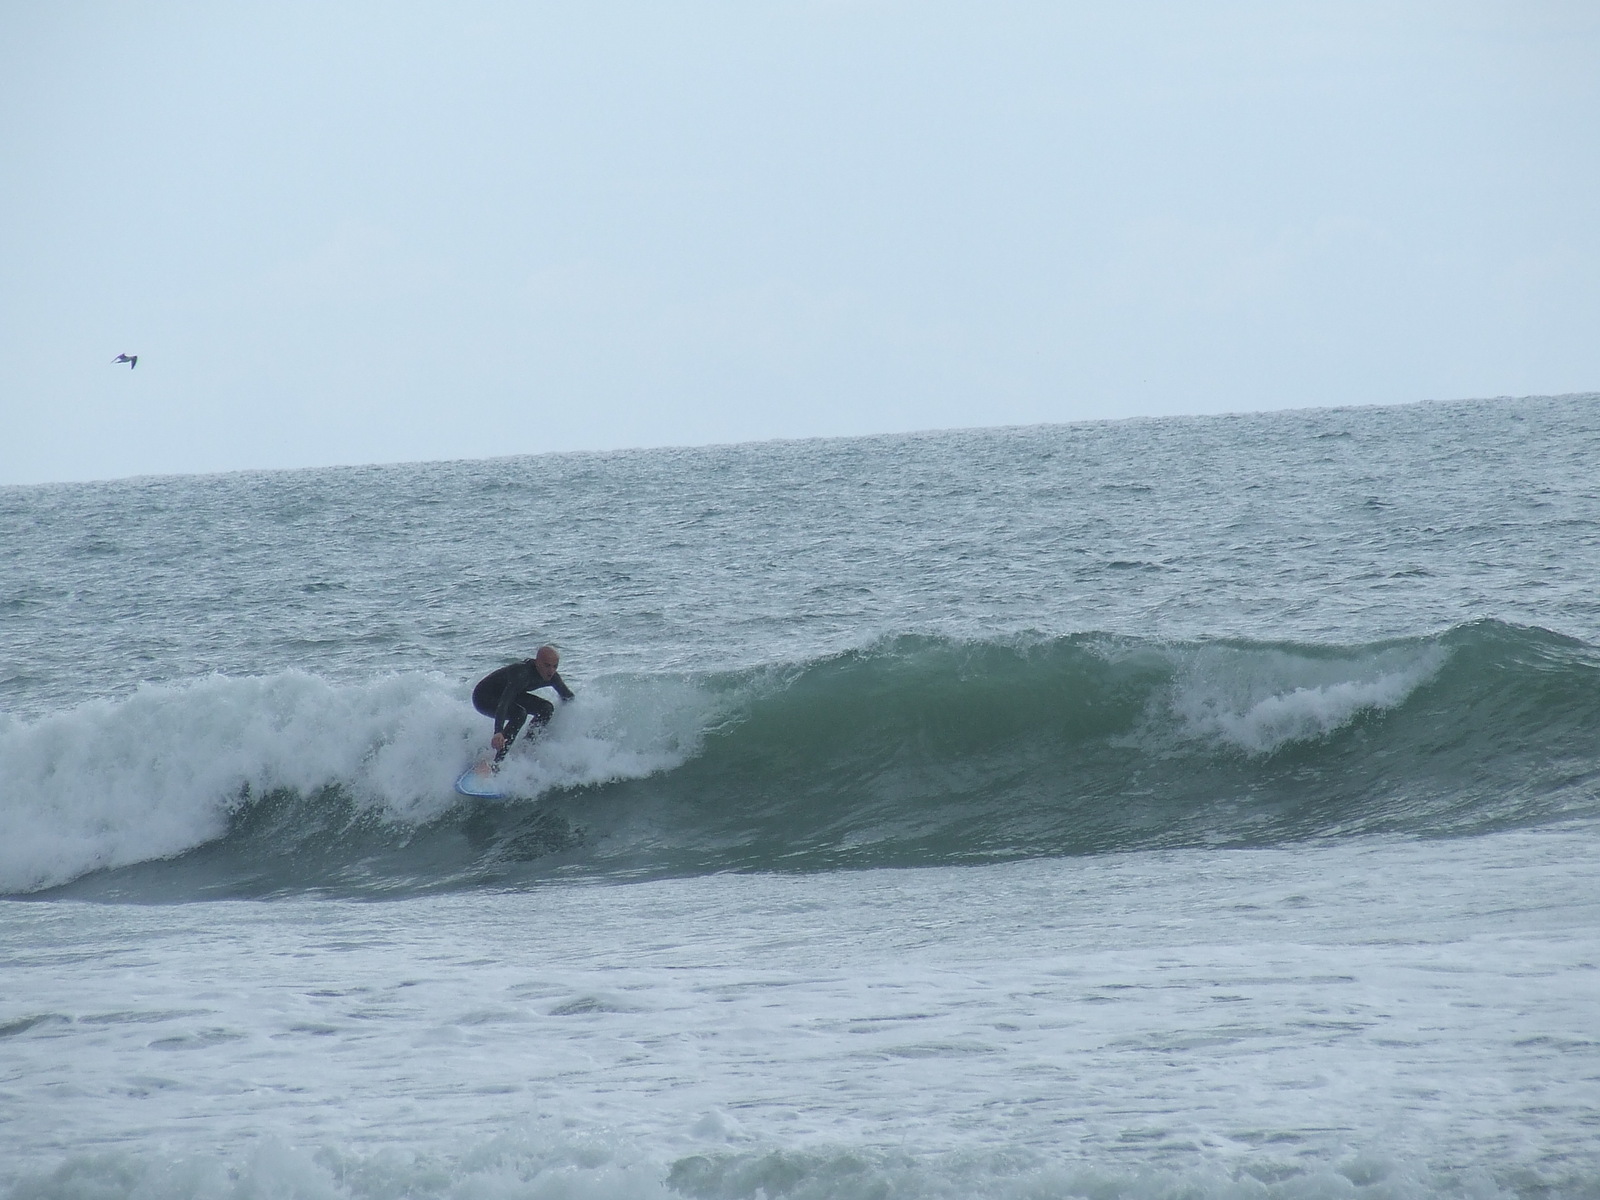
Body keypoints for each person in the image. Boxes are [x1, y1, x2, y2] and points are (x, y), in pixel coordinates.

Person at [472, 645, 575, 761]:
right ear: (537, 662)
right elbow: (504, 703)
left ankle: (526, 748)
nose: (551, 671)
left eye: (554, 666)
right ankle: (497, 759)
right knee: (519, 714)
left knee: (546, 708)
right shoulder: (522, 673)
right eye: (547, 665)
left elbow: (568, 697)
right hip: (483, 696)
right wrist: (498, 732)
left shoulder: (553, 677)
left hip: (511, 695)